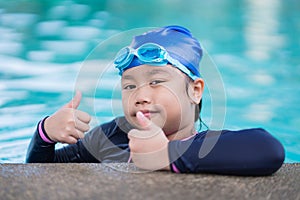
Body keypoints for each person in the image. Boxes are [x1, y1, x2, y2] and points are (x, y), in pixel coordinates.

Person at [26, 25, 285, 175]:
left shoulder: (206, 144)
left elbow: (269, 150)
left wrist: (166, 156)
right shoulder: (113, 136)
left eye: (156, 82)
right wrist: (45, 133)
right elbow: (40, 172)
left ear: (195, 91)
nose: (140, 96)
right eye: (129, 86)